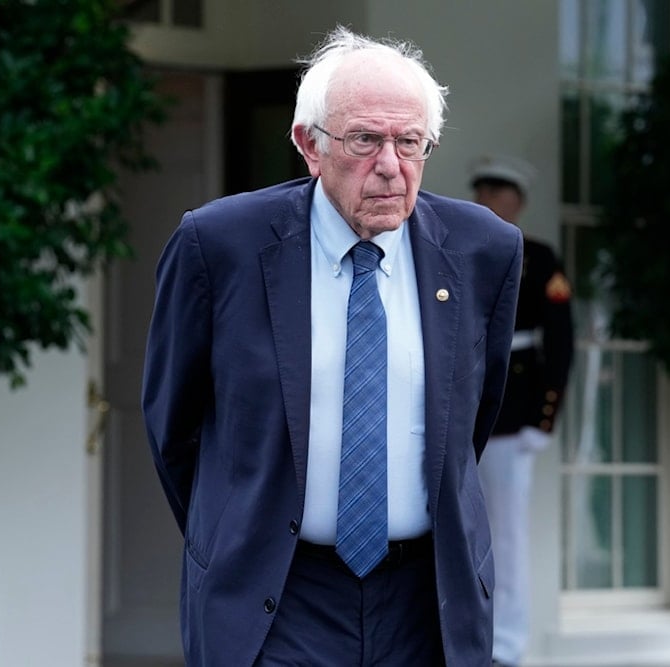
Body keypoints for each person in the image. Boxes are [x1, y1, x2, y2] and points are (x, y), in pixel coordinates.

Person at [142, 26, 523, 666]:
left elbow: (471, 424)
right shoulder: (219, 245)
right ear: (309, 145)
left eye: (410, 143)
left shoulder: (484, 249)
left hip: (426, 598)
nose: (390, 166)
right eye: (365, 140)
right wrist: (237, 533)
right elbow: (171, 428)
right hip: (276, 594)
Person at [471, 155, 574, 667]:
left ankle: (506, 645)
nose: (489, 198)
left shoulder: (539, 256)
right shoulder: (460, 248)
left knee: (506, 534)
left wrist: (544, 418)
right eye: (483, 190)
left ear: (519, 201)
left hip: (513, 413)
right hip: (464, 412)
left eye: (500, 191)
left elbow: (560, 342)